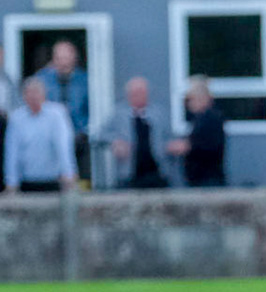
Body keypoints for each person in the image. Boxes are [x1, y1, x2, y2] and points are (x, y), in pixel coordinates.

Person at [2, 77, 77, 193]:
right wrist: (11, 181)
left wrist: (68, 173)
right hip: (27, 180)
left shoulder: (56, 114)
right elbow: (12, 152)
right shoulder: (17, 118)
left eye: (36, 92)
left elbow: (63, 146)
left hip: (53, 180)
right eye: (29, 93)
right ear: (24, 96)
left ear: (44, 94)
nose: (33, 97)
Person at [36, 40, 90, 182]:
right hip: (49, 139)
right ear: (53, 59)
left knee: (80, 177)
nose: (63, 63)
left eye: (66, 58)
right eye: (59, 58)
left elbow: (92, 109)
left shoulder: (85, 80)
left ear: (74, 58)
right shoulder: (42, 79)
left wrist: (85, 130)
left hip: (79, 137)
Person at [100, 76, 170, 188]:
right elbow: (101, 134)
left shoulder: (158, 113)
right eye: (135, 93)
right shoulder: (118, 114)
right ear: (128, 95)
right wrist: (115, 141)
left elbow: (169, 136)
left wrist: (170, 145)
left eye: (142, 92)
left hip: (156, 171)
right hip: (129, 172)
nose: (139, 96)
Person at [167, 78, 226, 187]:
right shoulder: (199, 119)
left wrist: (188, 146)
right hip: (199, 179)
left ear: (202, 98)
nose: (188, 104)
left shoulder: (211, 118)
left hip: (208, 180)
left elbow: (211, 145)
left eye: (191, 99)